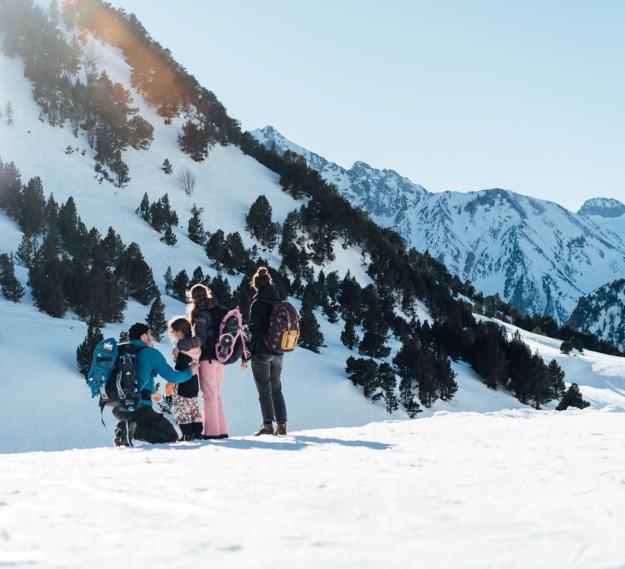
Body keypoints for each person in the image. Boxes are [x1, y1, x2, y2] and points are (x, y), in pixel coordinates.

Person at [112, 322, 198, 447]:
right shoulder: (150, 353)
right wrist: (190, 371)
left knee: (161, 433)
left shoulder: (122, 352)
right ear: (143, 336)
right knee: (171, 436)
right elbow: (172, 377)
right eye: (150, 334)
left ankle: (125, 430)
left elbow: (131, 378)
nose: (152, 337)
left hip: (118, 409)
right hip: (138, 408)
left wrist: (150, 393)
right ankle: (130, 429)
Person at [248, 267, 288, 436]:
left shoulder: (258, 304)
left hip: (262, 351)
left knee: (264, 388)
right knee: (276, 387)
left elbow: (255, 330)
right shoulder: (278, 301)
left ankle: (267, 425)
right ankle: (282, 425)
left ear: (256, 285)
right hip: (278, 351)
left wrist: (250, 350)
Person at [187, 284, 229, 439]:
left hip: (208, 358)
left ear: (193, 297)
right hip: (221, 358)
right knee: (216, 395)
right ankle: (221, 430)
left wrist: (183, 344)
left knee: (209, 396)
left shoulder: (202, 314)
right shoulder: (220, 310)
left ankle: (211, 433)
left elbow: (200, 339)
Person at [168, 316, 204, 441]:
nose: (171, 333)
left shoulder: (182, 349)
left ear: (180, 331)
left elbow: (180, 366)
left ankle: (187, 434)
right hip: (194, 381)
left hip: (182, 382)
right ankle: (197, 433)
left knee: (181, 409)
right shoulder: (195, 346)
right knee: (194, 408)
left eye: (173, 331)